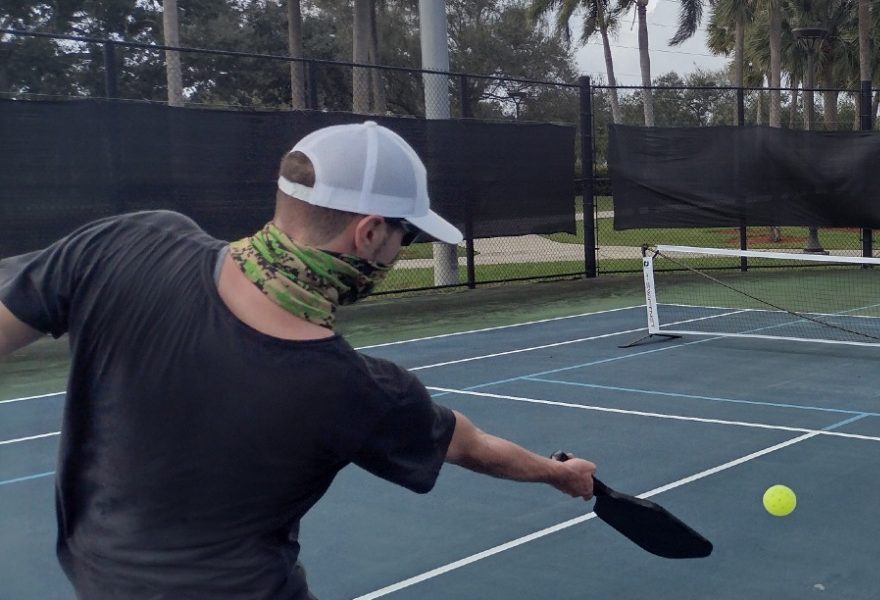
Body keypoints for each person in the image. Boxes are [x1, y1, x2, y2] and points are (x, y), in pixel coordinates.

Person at [0, 121, 597, 599]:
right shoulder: (352, 390)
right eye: (404, 236)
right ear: (368, 235)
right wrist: (558, 472)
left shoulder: (129, 242)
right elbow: (468, 445)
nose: (397, 251)